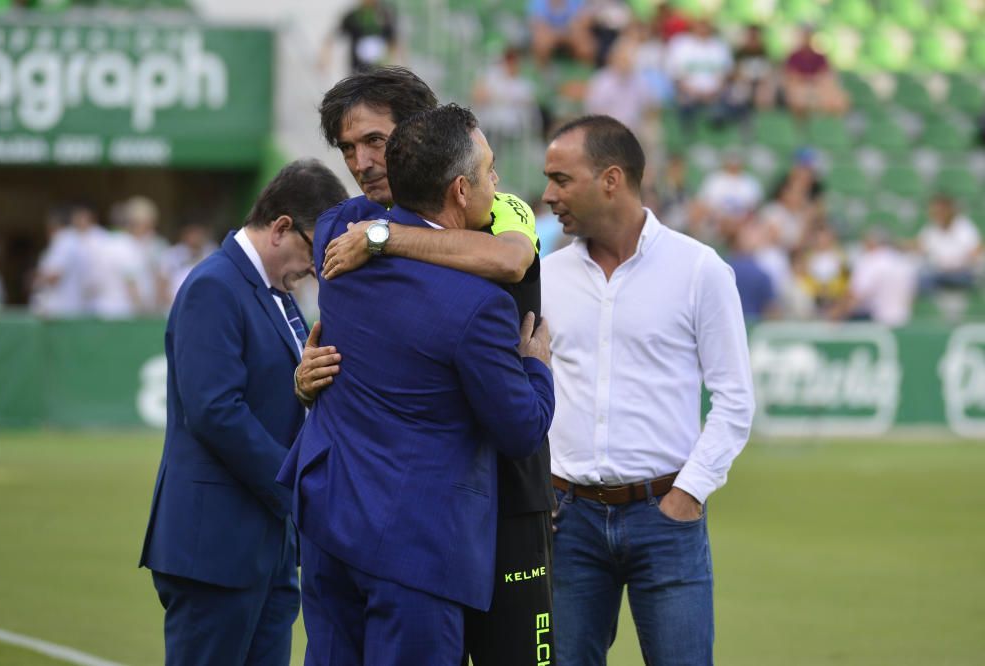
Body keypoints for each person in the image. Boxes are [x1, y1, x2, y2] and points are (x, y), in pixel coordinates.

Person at [296, 66, 560, 666]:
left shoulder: (498, 206)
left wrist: (387, 236)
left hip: (480, 499)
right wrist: (304, 374)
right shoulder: (342, 227)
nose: (361, 162)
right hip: (426, 519)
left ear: (418, 136)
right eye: (348, 148)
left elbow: (513, 258)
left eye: (376, 143)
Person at [540, 115, 755, 665]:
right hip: (568, 521)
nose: (549, 195)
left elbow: (735, 400)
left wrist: (688, 495)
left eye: (562, 180)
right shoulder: (544, 277)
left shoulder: (699, 270)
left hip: (666, 516)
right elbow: (525, 391)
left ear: (611, 179)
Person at [138, 159, 348, 666]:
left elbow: (282, 396)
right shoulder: (214, 285)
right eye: (313, 250)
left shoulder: (278, 293)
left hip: (269, 545)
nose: (317, 268)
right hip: (214, 546)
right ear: (280, 228)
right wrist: (293, 487)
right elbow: (214, 410)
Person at [783, 25, 849, 118]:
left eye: (808, 35)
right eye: (804, 35)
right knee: (797, 96)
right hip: (800, 90)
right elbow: (792, 76)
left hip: (818, 89)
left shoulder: (820, 57)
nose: (806, 38)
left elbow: (825, 75)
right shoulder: (794, 57)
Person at [320, 0, 398, 73]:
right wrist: (325, 57)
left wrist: (395, 63)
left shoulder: (385, 15)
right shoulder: (353, 16)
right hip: (358, 69)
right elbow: (333, 36)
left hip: (380, 67)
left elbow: (393, 41)